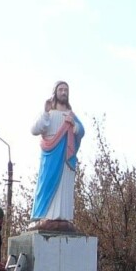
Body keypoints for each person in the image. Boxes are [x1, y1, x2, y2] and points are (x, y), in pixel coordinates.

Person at [30, 81, 85, 228]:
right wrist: (45, 112)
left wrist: (75, 126)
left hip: (66, 154)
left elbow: (82, 131)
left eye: (66, 90)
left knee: (64, 185)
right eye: (60, 89)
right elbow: (35, 130)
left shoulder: (71, 115)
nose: (63, 92)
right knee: (46, 183)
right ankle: (45, 216)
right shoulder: (48, 113)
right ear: (55, 92)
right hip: (50, 154)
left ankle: (63, 217)